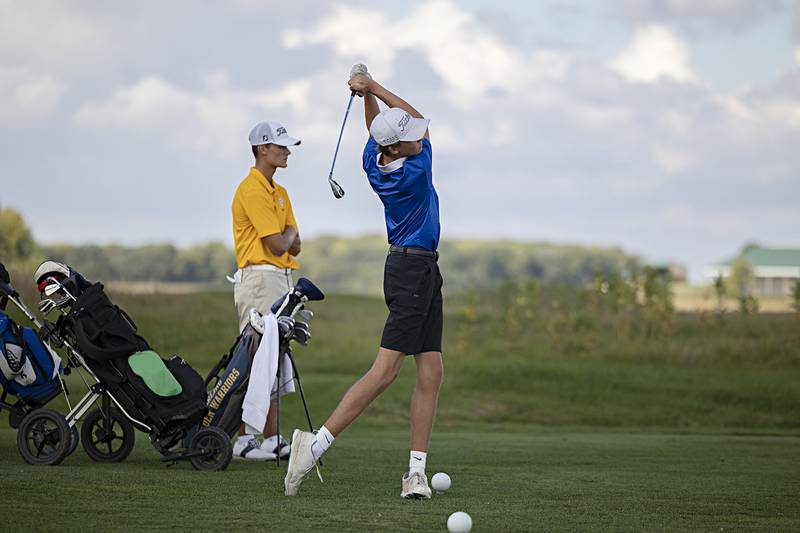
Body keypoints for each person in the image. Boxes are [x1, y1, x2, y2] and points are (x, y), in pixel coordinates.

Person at [284, 71, 444, 499]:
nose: (418, 136)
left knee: (431, 369)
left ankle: (415, 473)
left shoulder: (375, 160)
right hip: (412, 272)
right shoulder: (416, 169)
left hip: (419, 270)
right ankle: (313, 446)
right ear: (399, 148)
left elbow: (383, 130)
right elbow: (416, 117)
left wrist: (365, 98)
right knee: (386, 371)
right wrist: (372, 87)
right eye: (410, 137)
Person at [230, 120, 302, 460]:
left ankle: (272, 438)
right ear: (262, 149)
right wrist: (286, 237)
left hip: (278, 279)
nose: (287, 151)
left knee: (272, 359)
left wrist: (286, 238)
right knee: (256, 358)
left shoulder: (280, 193)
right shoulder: (252, 190)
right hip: (259, 279)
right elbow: (278, 243)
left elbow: (295, 244)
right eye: (281, 146)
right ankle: (244, 439)